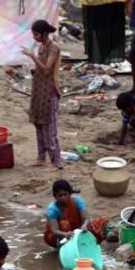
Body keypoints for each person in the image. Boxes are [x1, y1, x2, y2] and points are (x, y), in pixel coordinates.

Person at [22, 19, 62, 170]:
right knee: (38, 124)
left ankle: (56, 162)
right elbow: (41, 69)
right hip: (39, 91)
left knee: (49, 128)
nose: (34, 37)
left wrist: (32, 56)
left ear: (44, 33)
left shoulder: (54, 48)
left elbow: (47, 70)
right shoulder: (42, 47)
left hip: (50, 93)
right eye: (33, 34)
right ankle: (41, 157)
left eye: (36, 34)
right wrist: (33, 69)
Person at [43, 179, 108, 248]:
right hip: (60, 235)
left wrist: (84, 225)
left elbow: (86, 218)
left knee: (100, 222)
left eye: (65, 194)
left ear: (70, 193)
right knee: (65, 224)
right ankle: (66, 246)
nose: (63, 197)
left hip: (78, 229)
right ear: (55, 196)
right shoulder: (52, 209)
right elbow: (54, 230)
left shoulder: (77, 201)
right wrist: (65, 234)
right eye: (60, 195)